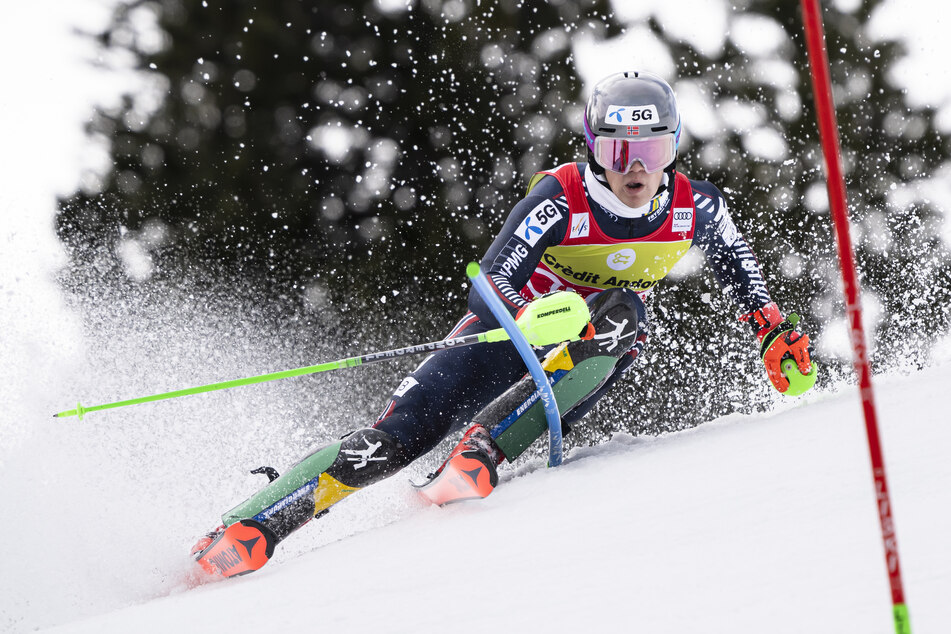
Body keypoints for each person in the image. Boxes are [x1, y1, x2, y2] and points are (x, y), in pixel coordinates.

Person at [191, 70, 815, 578]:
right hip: (499, 341)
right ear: (593, 150)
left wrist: (772, 334)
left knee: (627, 318)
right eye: (616, 150)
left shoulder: (695, 206)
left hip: (578, 353)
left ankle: (482, 451)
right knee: (392, 441)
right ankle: (249, 526)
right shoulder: (561, 197)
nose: (634, 168)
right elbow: (488, 283)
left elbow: (742, 270)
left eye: (650, 151)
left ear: (672, 149)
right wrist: (529, 318)